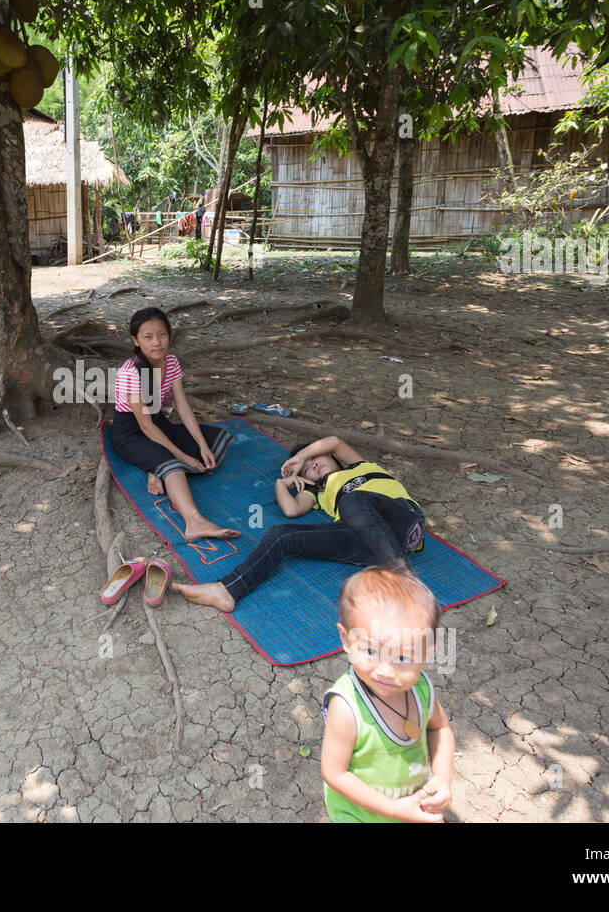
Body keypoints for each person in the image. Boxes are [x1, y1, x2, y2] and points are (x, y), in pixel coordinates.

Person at [174, 434, 424, 610]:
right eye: (306, 470)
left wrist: (300, 457)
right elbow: (291, 510)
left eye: (315, 459)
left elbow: (335, 441)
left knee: (352, 500)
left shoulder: (361, 466)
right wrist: (282, 483)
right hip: (364, 542)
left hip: (402, 520)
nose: (312, 465)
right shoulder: (317, 494)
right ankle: (227, 590)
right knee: (281, 534)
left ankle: (402, 577)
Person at [320, 566, 454, 822]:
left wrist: (442, 778)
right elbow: (335, 773)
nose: (385, 670)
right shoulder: (347, 708)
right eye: (370, 651)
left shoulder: (421, 690)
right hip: (359, 815)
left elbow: (439, 729)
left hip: (413, 807)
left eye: (402, 657)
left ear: (427, 653)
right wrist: (394, 810)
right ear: (346, 640)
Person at [109, 307, 240, 541]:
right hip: (131, 433)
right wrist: (183, 457)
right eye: (147, 337)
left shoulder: (171, 362)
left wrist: (201, 445)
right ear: (136, 341)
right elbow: (145, 427)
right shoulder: (130, 373)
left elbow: (182, 406)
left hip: (159, 424)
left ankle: (153, 467)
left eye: (162, 334)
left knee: (213, 440)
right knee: (174, 465)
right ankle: (194, 522)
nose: (157, 342)